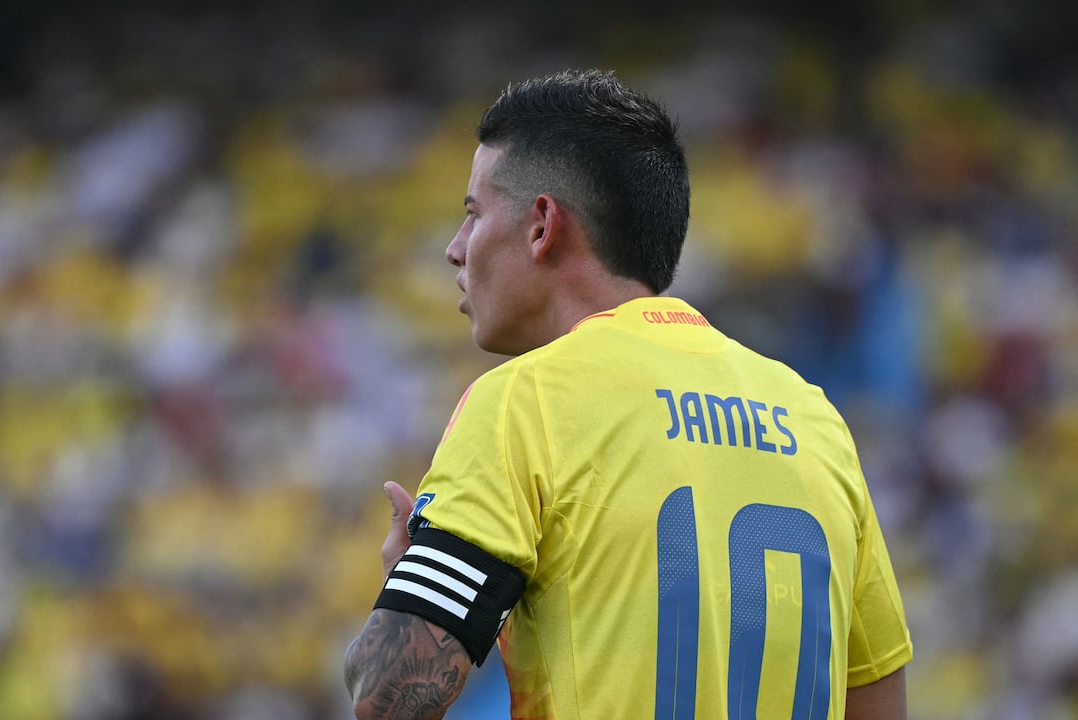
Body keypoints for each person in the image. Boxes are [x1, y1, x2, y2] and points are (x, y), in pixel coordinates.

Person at [344, 69, 912, 720]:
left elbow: (389, 696)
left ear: (541, 225)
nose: (455, 248)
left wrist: (405, 588)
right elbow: (879, 703)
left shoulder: (523, 405)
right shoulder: (816, 421)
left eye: (473, 214)